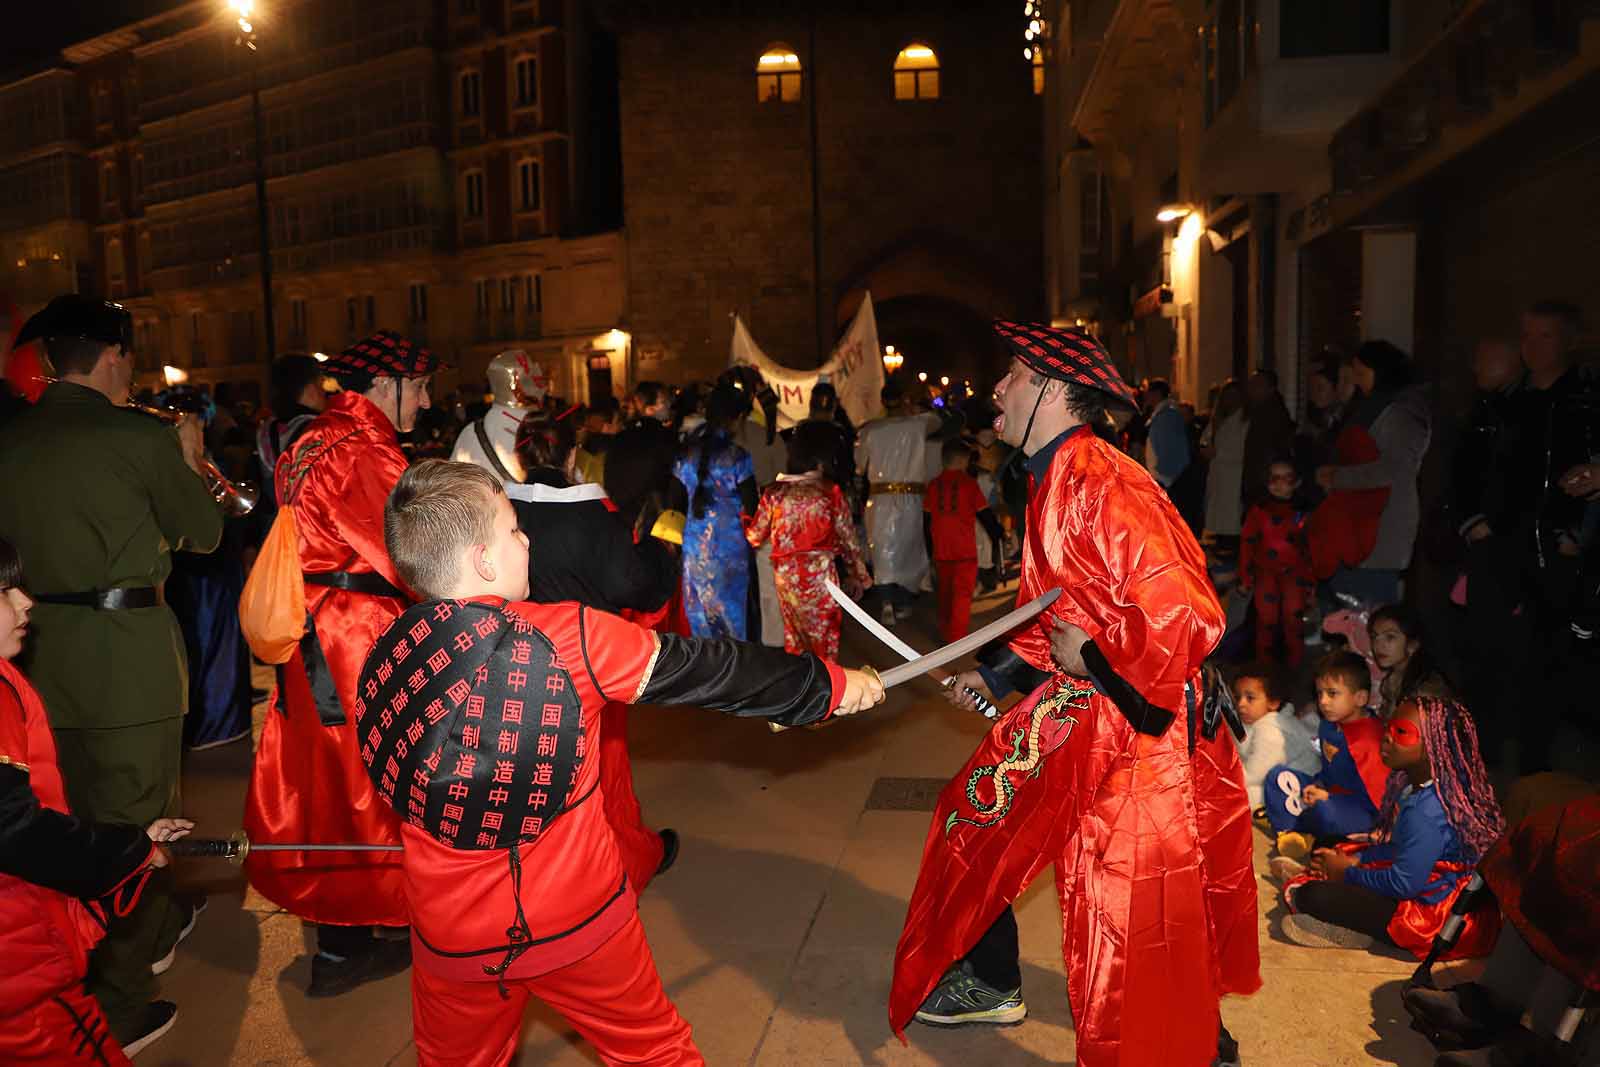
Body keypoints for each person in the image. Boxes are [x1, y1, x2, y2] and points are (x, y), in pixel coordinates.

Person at [363, 460, 885, 1067]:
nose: (527, 539)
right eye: (513, 529)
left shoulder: (384, 651)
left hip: (447, 932)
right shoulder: (567, 637)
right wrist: (827, 686)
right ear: (482, 560)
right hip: (575, 919)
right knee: (654, 1054)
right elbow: (711, 670)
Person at [893, 322, 1258, 1067]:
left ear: (1056, 393)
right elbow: (1051, 608)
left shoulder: (1104, 481)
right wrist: (993, 675)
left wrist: (1091, 657)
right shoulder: (1054, 474)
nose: (998, 388)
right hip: (1082, 704)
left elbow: (1184, 612)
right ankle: (994, 980)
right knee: (976, 815)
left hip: (1137, 725)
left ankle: (1195, 1045)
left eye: (1016, 375)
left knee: (1127, 904)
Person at [0, 294, 221, 1051]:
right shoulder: (137, 437)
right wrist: (187, 457)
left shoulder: (12, 438)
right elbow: (206, 529)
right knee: (136, 823)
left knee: (69, 825)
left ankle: (132, 935)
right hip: (127, 660)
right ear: (112, 354)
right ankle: (121, 999)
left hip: (34, 659)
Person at [243, 329, 438, 997]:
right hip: (357, 635)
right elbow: (409, 551)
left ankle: (342, 937)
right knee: (377, 780)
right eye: (421, 384)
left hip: (311, 631)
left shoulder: (307, 438)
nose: (428, 398)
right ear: (385, 384)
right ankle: (376, 928)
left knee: (327, 780)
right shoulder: (362, 450)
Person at [0, 537, 196, 1064]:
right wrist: (130, 851)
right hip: (21, 975)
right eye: (3, 591)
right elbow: (16, 833)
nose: (25, 602)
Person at [508, 414, 681, 892]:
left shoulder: (497, 511)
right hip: (584, 669)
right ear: (571, 456)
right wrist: (662, 546)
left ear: (521, 455)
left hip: (512, 667)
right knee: (600, 777)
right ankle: (618, 864)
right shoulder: (590, 518)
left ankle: (542, 876)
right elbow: (639, 586)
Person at [1276, 697, 1505, 955]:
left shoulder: (1427, 812)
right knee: (1328, 845)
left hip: (1435, 917)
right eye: (1389, 727)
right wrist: (1356, 859)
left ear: (1434, 748)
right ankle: (1325, 877)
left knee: (1313, 896)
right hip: (1427, 881)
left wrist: (1348, 873)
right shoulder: (1420, 785)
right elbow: (1400, 849)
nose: (1387, 737)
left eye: (1402, 732)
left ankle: (1351, 925)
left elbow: (1404, 885)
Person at [1314, 340, 1432, 606]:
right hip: (1362, 525)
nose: (1355, 380)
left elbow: (1394, 468)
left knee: (1368, 614)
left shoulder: (1400, 412)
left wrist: (1338, 478)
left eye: (1360, 372)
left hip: (1380, 529)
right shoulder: (1372, 407)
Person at [744, 421, 871, 658]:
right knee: (825, 642)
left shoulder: (774, 491)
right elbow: (849, 541)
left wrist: (742, 519)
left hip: (787, 579)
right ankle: (827, 690)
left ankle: (803, 689)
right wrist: (860, 576)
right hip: (820, 578)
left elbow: (754, 536)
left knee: (795, 642)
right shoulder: (829, 491)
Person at [1263, 651, 1387, 859]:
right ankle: (1289, 836)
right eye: (1319, 693)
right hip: (1327, 795)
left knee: (1324, 812)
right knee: (1278, 777)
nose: (1323, 701)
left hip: (1358, 810)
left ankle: (1304, 834)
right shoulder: (1329, 725)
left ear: (1360, 698)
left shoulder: (1369, 739)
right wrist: (1318, 785)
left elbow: (1378, 800)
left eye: (1332, 693)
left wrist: (1329, 797)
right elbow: (1328, 771)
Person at [671, 383, 757, 640]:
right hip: (730, 552)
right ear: (737, 418)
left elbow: (673, 501)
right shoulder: (737, 457)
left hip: (694, 550)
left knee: (700, 622)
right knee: (733, 622)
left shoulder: (685, 454)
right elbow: (753, 506)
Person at [857, 380, 940, 624]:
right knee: (908, 549)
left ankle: (886, 603)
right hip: (910, 500)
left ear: (882, 402)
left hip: (880, 500)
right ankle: (902, 601)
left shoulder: (870, 429)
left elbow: (860, 466)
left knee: (882, 550)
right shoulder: (918, 424)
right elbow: (941, 419)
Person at [922, 437, 1004, 642]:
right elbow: (986, 517)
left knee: (945, 594)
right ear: (963, 461)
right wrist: (999, 534)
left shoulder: (933, 486)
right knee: (961, 597)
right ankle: (955, 640)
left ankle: (944, 631)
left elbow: (926, 521)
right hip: (964, 552)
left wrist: (930, 550)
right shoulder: (969, 485)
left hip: (941, 550)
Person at [1238, 459, 1315, 665]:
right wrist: (1245, 576)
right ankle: (1264, 666)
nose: (1279, 484)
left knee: (1293, 620)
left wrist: (1311, 583)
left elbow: (1310, 548)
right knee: (1266, 620)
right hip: (1266, 573)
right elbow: (1247, 543)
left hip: (1294, 574)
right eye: (1274, 478)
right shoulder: (1259, 511)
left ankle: (1295, 665)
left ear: (1296, 482)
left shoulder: (1304, 512)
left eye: (1286, 478)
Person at [450, 349, 546, 485]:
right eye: (532, 373)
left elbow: (452, 489)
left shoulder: (468, 433)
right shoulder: (542, 432)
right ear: (515, 384)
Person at [1232, 663, 1319, 809]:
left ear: (1273, 702)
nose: (1241, 704)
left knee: (1242, 794)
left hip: (1304, 791)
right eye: (1237, 697)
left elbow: (1253, 775)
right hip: (1280, 782)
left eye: (1250, 698)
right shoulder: (1255, 721)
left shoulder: (1272, 729)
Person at [1369, 603, 1450, 718]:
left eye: (1390, 637)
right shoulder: (1393, 681)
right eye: (1374, 636)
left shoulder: (1426, 691)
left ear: (1413, 644)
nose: (1378, 645)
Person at [1201, 379, 1249, 546]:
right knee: (1218, 520)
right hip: (1218, 475)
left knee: (1230, 519)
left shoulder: (1245, 421)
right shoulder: (1218, 419)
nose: (1230, 400)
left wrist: (1217, 453)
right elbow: (1206, 439)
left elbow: (1241, 449)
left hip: (1233, 476)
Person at [1242, 369, 1295, 506]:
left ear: (1270, 388)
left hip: (1264, 484)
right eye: (1251, 385)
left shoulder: (1272, 414)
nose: (1252, 390)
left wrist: (1265, 479)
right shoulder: (1257, 412)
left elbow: (1269, 449)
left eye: (1258, 385)